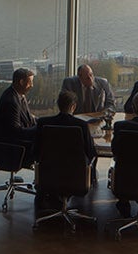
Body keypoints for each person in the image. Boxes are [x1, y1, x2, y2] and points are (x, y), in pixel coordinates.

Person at [34, 87, 100, 217]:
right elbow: (91, 152)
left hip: (49, 175)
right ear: (74, 106)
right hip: (76, 177)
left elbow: (36, 150)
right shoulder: (81, 125)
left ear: (58, 105)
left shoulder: (43, 123)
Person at [0, 66, 40, 166]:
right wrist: (38, 129)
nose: (32, 86)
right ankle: (43, 179)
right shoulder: (11, 102)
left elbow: (29, 118)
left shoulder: (19, 95)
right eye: (30, 82)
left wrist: (43, 123)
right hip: (14, 147)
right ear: (21, 82)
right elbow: (16, 132)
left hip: (16, 141)